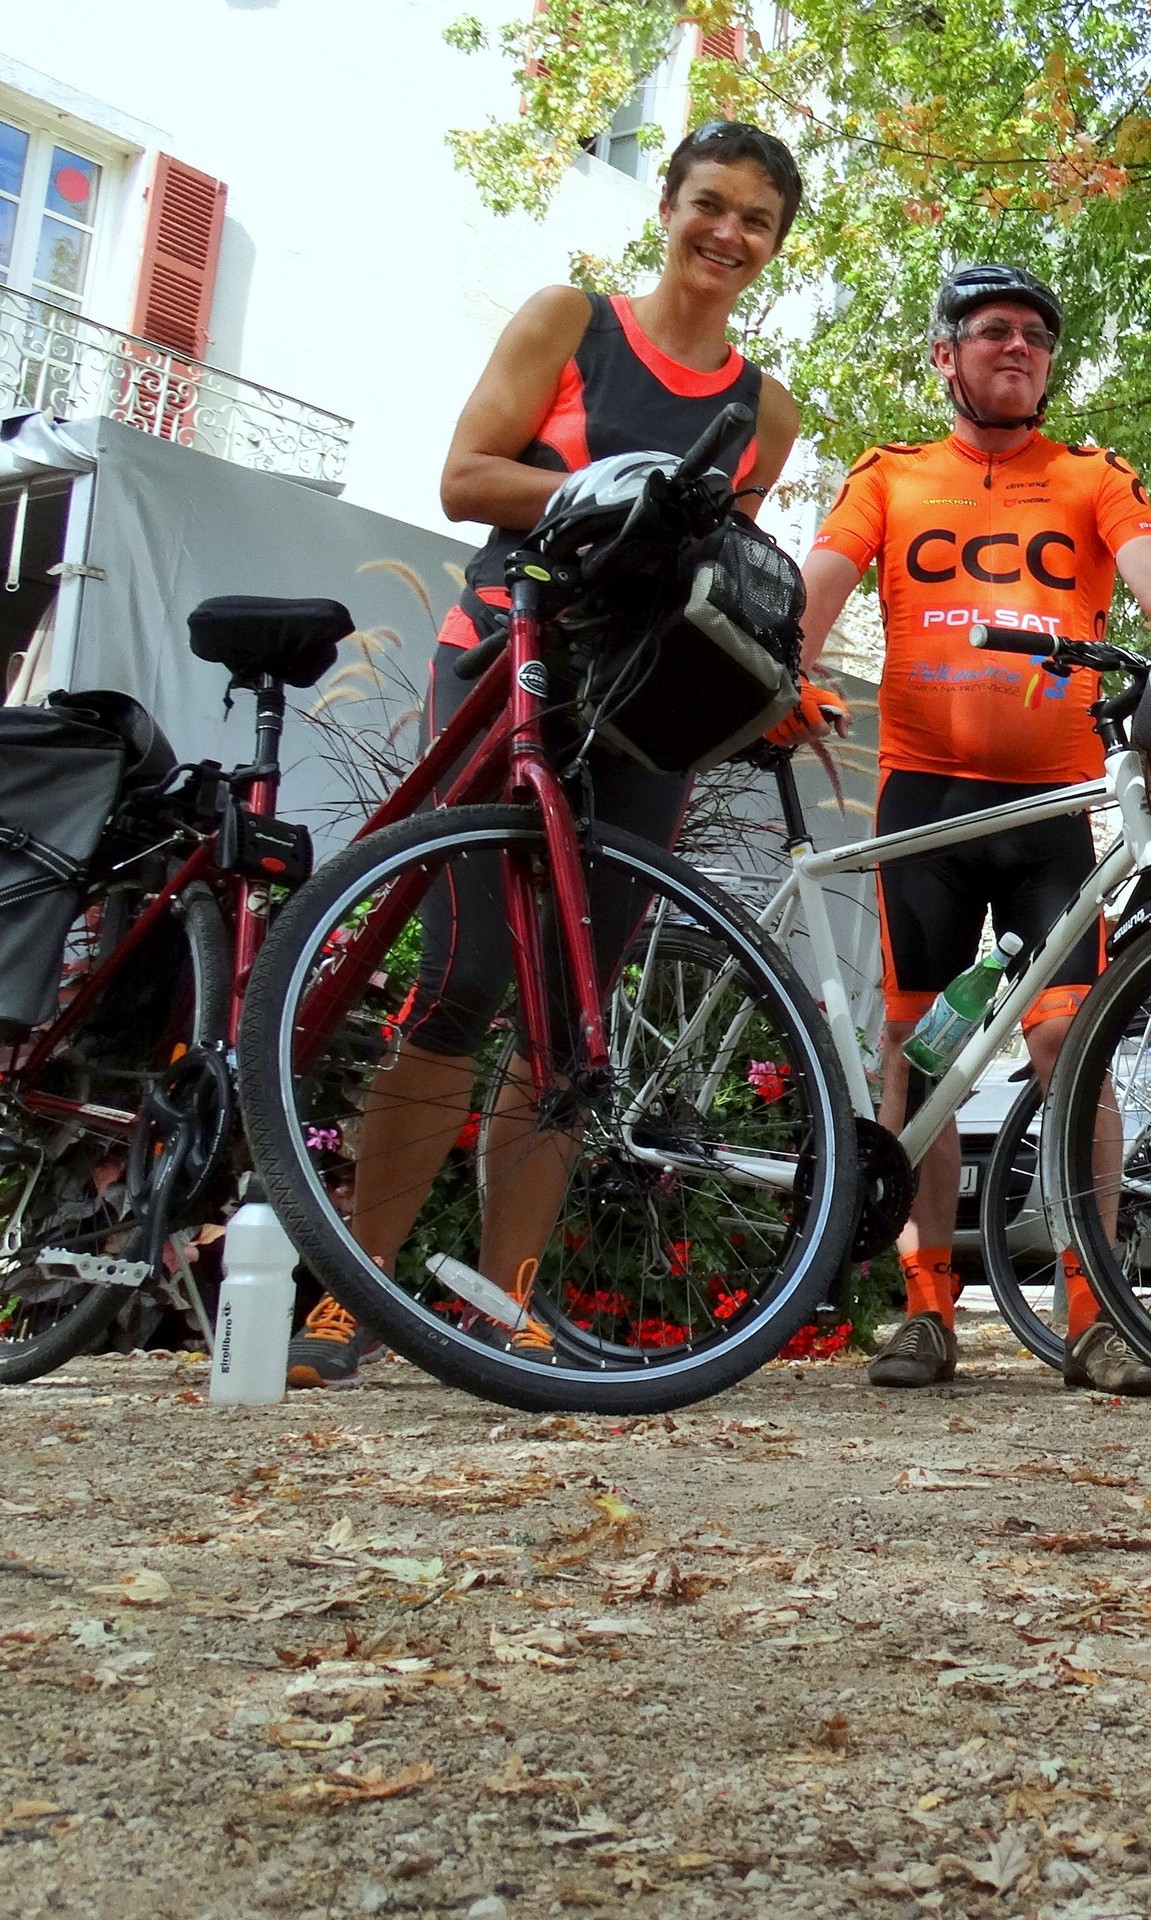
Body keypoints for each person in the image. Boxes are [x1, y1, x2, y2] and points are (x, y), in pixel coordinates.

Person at [291, 122, 814, 1390]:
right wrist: (619, 485)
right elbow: (467, 477)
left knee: (571, 1014)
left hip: (646, 704)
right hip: (510, 661)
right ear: (671, 209)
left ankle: (501, 1307)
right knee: (463, 980)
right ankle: (350, 1299)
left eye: (755, 219)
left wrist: (777, 681)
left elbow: (717, 572)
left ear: (775, 246)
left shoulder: (768, 410)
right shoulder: (569, 320)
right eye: (708, 204)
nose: (725, 234)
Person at [799, 264, 1151, 1397]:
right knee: (916, 1057)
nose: (1018, 347)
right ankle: (925, 1312)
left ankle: (1095, 1315)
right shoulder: (890, 476)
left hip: (1051, 814)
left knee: (1065, 1051)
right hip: (923, 803)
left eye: (1037, 333)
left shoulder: (1089, 476)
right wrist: (779, 664)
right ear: (945, 356)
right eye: (992, 331)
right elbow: (818, 589)